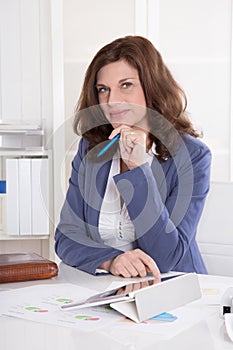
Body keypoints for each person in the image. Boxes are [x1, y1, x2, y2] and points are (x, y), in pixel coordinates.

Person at [55, 35, 211, 279]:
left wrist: (138, 168)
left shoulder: (192, 156)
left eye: (126, 85)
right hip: (108, 290)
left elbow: (166, 257)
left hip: (176, 290)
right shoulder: (91, 148)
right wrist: (111, 260)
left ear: (151, 87)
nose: (111, 101)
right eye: (103, 90)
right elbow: (66, 237)